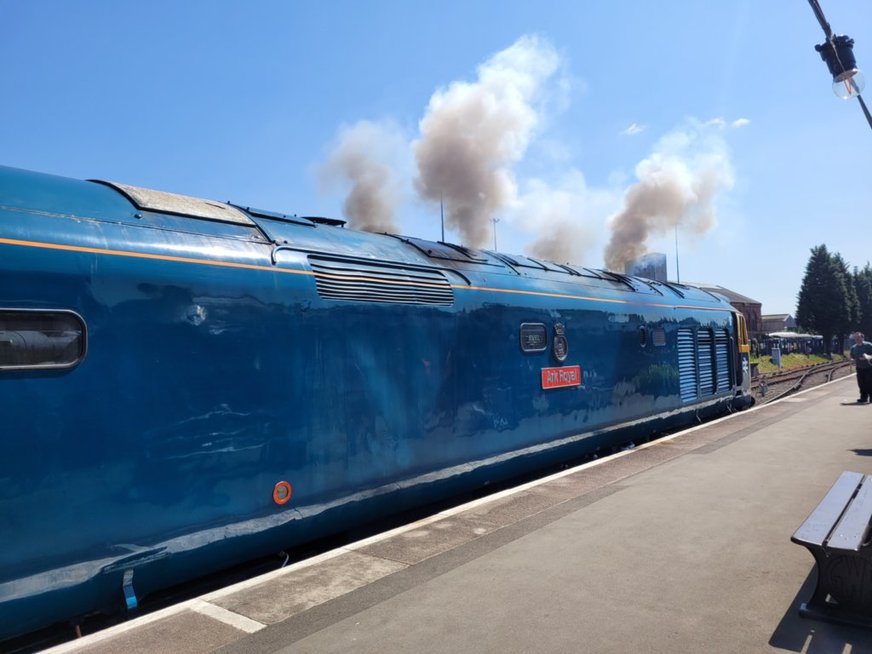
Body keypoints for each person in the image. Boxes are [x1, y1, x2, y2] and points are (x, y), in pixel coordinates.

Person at [849, 331, 872, 403]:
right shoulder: (853, 348)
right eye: (855, 338)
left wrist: (867, 357)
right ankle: (863, 397)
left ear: (862, 337)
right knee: (861, 384)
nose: (857, 339)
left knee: (869, 383)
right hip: (859, 368)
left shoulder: (869, 345)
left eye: (858, 337)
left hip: (869, 367)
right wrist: (852, 360)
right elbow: (851, 357)